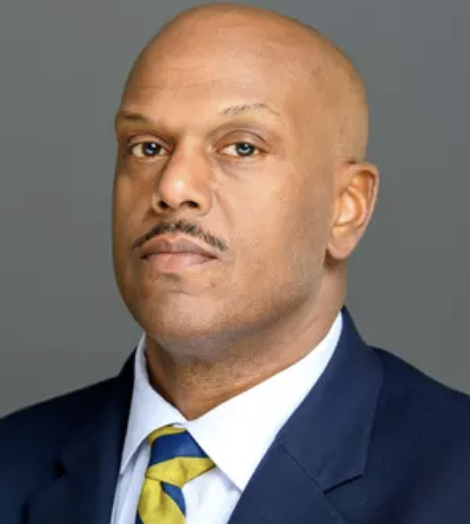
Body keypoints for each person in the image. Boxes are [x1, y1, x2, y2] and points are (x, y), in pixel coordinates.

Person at [1, 3, 470, 523]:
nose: (174, 186)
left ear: (346, 208)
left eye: (242, 148)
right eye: (148, 147)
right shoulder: (12, 461)